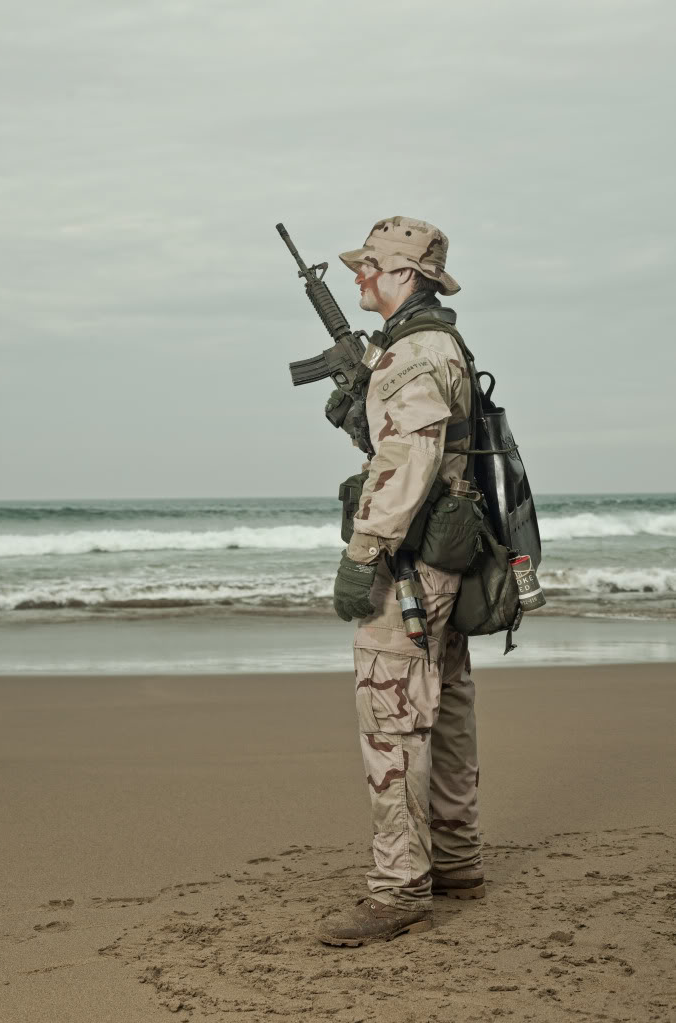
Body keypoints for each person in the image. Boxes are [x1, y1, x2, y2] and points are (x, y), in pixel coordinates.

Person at [318, 216, 484, 947]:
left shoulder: (416, 352)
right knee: (442, 708)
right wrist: (359, 403)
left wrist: (362, 556)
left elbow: (407, 465)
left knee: (391, 719)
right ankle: (455, 861)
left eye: (371, 265)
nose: (359, 275)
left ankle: (399, 890)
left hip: (410, 563)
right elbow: (415, 443)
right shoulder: (426, 345)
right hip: (442, 558)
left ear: (407, 275)